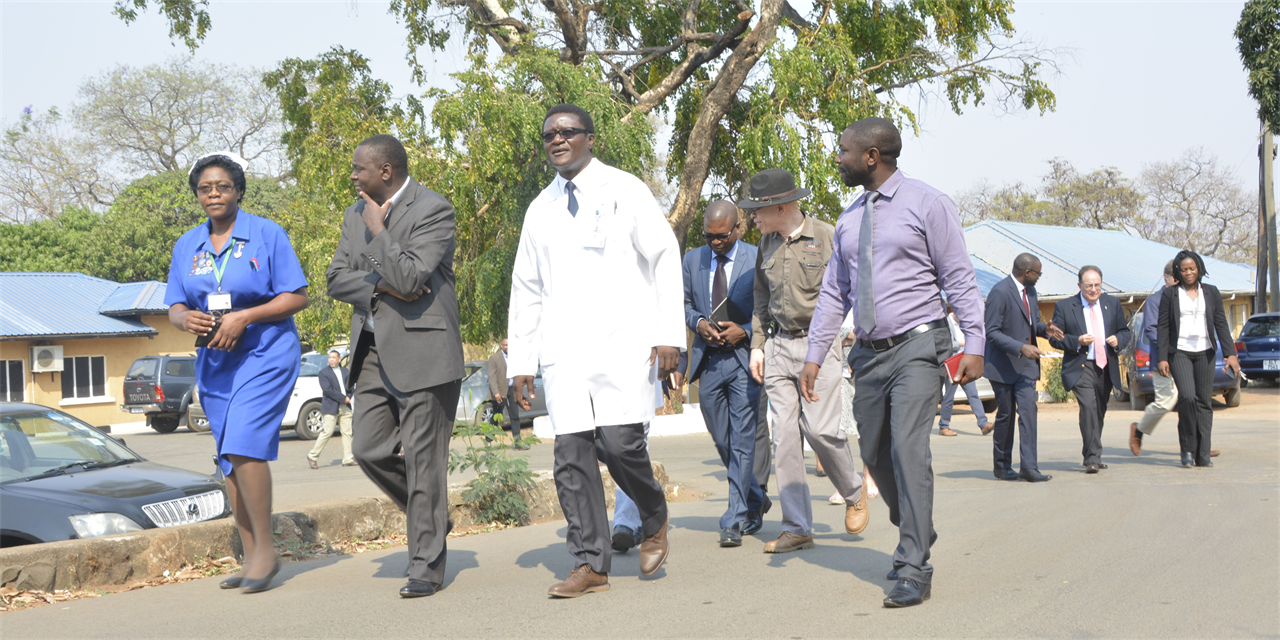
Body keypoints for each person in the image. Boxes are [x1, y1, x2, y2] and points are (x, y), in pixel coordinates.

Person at [801, 117, 985, 609]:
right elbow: (832, 297)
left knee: (907, 449)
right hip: (869, 354)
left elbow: (960, 280)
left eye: (843, 151)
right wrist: (815, 356)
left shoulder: (928, 203)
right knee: (877, 455)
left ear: (871, 156)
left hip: (920, 348)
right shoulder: (848, 219)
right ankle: (918, 529)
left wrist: (976, 344)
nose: (837, 158)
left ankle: (913, 565)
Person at [509, 103, 680, 598]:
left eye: (567, 132)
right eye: (548, 135)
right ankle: (590, 564)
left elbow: (665, 255)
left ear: (589, 137)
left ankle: (653, 513)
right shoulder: (539, 207)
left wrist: (668, 333)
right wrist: (522, 361)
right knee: (571, 457)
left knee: (623, 443)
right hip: (564, 354)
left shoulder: (625, 189)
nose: (557, 140)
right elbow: (527, 288)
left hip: (621, 344)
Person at [326, 134, 466, 599]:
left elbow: (413, 274)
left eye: (358, 168)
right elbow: (334, 279)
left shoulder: (434, 209)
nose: (352, 175)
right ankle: (432, 517)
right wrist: (382, 288)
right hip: (369, 351)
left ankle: (425, 566)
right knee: (368, 450)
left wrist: (380, 233)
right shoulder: (354, 213)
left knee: (426, 464)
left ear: (385, 171)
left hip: (425, 353)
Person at [165, 151, 309, 594]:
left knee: (245, 441)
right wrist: (184, 319)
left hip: (265, 353)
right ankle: (250, 557)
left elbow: (297, 296)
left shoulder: (265, 234)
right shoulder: (187, 245)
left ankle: (267, 551)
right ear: (197, 195)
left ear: (238, 191)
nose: (213, 194)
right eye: (205, 188)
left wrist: (245, 317)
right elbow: (174, 305)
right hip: (215, 360)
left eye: (223, 187)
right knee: (230, 458)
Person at [743, 167, 868, 556]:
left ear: (781, 207)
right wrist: (758, 345)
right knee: (784, 439)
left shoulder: (828, 236)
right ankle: (797, 527)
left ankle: (853, 491)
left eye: (757, 211)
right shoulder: (766, 245)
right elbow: (760, 298)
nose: (752, 219)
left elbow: (855, 287)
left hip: (820, 346)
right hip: (779, 347)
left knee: (820, 431)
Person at [682, 199, 763, 547]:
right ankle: (756, 497)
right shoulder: (691, 259)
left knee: (743, 440)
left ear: (737, 228)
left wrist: (744, 329)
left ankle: (734, 518)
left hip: (744, 360)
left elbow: (767, 307)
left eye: (722, 237)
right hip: (709, 362)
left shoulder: (756, 257)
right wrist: (698, 323)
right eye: (709, 236)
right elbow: (684, 304)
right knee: (722, 440)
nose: (715, 242)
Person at [1157, 250, 1241, 468]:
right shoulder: (1170, 294)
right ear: (1177, 272)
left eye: (1192, 268)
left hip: (1206, 352)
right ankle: (1187, 449)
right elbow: (1163, 327)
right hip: (1180, 353)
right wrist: (1162, 358)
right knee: (1187, 397)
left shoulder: (1211, 292)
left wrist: (1231, 354)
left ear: (1199, 268)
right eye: (1183, 269)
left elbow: (1221, 324)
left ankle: (1203, 455)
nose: (1188, 273)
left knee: (1204, 402)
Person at [984, 254, 1062, 482]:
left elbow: (1031, 323)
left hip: (1027, 365)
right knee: (1006, 416)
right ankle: (1002, 466)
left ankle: (1029, 467)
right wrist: (1020, 347)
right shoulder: (1000, 292)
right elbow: (992, 332)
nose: (1040, 277)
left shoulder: (1031, 292)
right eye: (1038, 273)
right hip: (1003, 365)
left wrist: (1043, 329)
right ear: (1027, 273)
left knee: (1028, 413)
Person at [1048, 266, 1130, 474]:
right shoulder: (1066, 306)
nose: (1094, 290)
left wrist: (1118, 339)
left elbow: (1124, 331)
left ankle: (1093, 453)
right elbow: (1054, 338)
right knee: (1089, 409)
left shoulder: (1112, 303)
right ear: (1079, 286)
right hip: (1080, 366)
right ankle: (1092, 458)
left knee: (1099, 411)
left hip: (1105, 366)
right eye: (1089, 286)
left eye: (1097, 285)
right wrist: (1077, 341)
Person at [1129, 261, 1179, 456]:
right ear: (1167, 277)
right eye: (1176, 277)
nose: (1179, 280)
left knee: (1190, 402)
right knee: (1167, 400)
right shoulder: (1154, 301)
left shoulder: (1186, 298)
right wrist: (1171, 348)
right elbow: (1150, 330)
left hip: (1187, 359)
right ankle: (1139, 430)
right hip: (1163, 359)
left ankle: (1195, 447)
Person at [937, 309, 991, 438]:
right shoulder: (946, 322)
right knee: (949, 397)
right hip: (953, 365)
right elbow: (943, 343)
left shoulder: (964, 325)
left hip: (965, 364)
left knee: (973, 394)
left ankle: (983, 424)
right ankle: (944, 426)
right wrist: (958, 344)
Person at [308, 350, 355, 468]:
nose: (331, 360)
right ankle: (312, 456)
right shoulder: (323, 373)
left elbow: (351, 387)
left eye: (334, 357)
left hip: (345, 407)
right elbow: (327, 390)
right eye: (330, 358)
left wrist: (348, 397)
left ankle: (348, 459)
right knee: (327, 432)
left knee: (347, 433)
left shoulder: (345, 371)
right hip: (331, 406)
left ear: (339, 359)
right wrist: (343, 398)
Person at [487, 338, 526, 449]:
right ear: (501, 346)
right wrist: (496, 393)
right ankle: (488, 441)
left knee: (515, 416)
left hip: (512, 390)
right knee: (496, 417)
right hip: (499, 392)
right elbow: (492, 377)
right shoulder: (494, 358)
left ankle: (518, 443)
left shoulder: (515, 358)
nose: (508, 347)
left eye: (510, 345)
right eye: (506, 345)